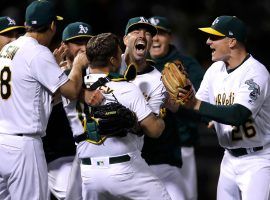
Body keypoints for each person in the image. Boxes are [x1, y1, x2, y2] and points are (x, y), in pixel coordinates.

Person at [174, 15, 270, 200]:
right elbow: (199, 111)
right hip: (229, 158)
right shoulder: (214, 70)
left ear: (232, 41)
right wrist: (175, 106)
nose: (208, 41)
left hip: (258, 159)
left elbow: (237, 115)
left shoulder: (256, 73)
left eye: (215, 37)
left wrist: (196, 104)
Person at [0, 1, 86, 199]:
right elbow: (72, 91)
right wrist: (78, 65)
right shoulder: (38, 52)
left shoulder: (7, 50)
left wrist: (51, 70)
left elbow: (30, 92)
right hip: (24, 147)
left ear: (27, 23)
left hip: (3, 140)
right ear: (53, 26)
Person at [73, 32, 171, 200]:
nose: (121, 56)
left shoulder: (73, 88)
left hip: (88, 175)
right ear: (112, 60)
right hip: (124, 169)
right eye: (119, 53)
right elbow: (154, 131)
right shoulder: (125, 88)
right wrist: (161, 118)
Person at [143, 16, 205, 200]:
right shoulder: (136, 66)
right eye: (150, 34)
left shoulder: (187, 65)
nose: (155, 38)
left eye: (160, 33)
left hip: (181, 147)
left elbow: (202, 105)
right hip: (146, 151)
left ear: (170, 37)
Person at [43, 21, 93, 200]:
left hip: (92, 151)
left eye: (87, 42)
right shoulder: (52, 73)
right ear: (64, 46)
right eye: (78, 42)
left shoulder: (100, 72)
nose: (84, 47)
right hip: (60, 156)